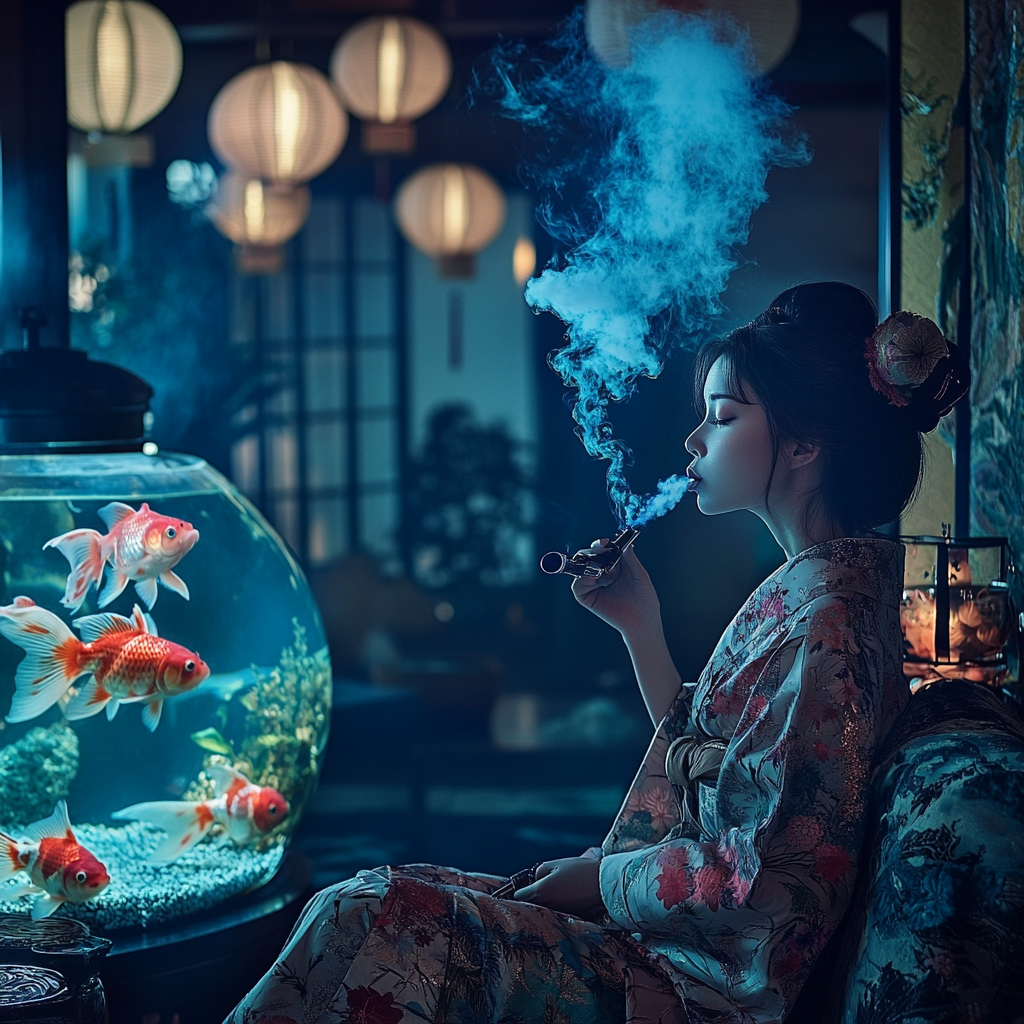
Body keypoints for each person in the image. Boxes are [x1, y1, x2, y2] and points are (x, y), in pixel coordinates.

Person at [225, 282, 970, 1024]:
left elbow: (753, 879)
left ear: (805, 444)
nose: (694, 441)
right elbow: (718, 769)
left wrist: (601, 880)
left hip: (699, 985)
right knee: (373, 894)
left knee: (365, 914)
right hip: (676, 945)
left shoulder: (825, 626)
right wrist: (640, 626)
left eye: (722, 417)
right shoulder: (822, 593)